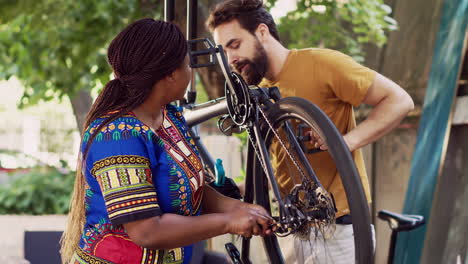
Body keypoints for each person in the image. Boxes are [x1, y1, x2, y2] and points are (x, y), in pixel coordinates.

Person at [206, 0, 414, 263]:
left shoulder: (320, 63)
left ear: (262, 32)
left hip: (339, 231)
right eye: (223, 52)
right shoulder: (259, 92)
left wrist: (343, 142)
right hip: (298, 231)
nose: (231, 59)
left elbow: (400, 100)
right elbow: (284, 168)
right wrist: (234, 190)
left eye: (235, 45)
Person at [60, 18, 276, 264]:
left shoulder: (169, 118)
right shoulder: (117, 137)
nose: (190, 72)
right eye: (187, 65)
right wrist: (227, 222)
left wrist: (235, 208)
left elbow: (193, 189)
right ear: (171, 74)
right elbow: (147, 231)